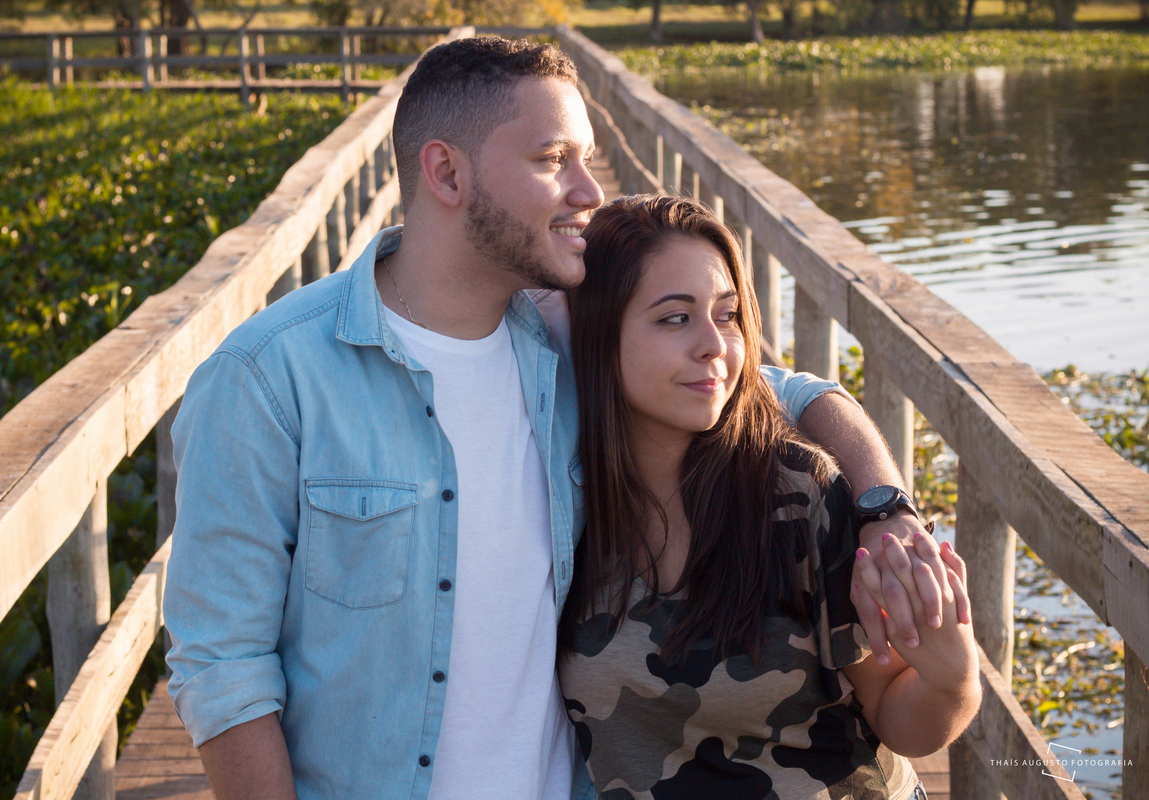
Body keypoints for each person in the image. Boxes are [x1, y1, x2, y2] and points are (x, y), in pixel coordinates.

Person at [163, 36, 962, 799]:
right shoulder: (269, 379)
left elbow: (777, 389)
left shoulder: (561, 339)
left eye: (587, 157)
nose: (589, 190)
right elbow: (224, 668)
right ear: (446, 172)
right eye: (553, 161)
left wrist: (884, 510)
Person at [557, 194, 981, 799]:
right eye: (674, 318)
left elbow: (897, 712)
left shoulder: (797, 493)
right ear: (597, 334)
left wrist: (954, 676)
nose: (714, 345)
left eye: (726, 315)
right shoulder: (561, 498)